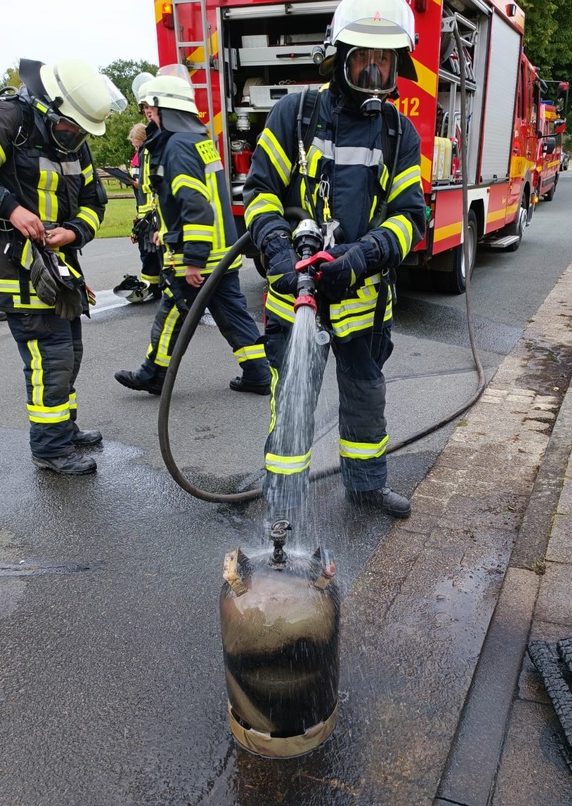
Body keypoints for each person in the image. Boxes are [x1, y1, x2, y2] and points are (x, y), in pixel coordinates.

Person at [243, 0, 425, 519]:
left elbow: (410, 217)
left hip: (364, 303)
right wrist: (279, 254)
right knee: (292, 406)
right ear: (338, 57)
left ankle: (366, 486)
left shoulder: (398, 134)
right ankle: (283, 501)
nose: (374, 71)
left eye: (385, 62)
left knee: (366, 401)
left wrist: (357, 260)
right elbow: (261, 194)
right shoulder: (295, 115)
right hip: (294, 301)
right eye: (363, 59)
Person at [0, 57, 124, 475]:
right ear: (51, 107)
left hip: (60, 270)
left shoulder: (72, 139)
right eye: (72, 127)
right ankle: (49, 448)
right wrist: (10, 209)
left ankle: (62, 429)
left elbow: (94, 201)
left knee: (69, 353)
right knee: (50, 358)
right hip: (17, 271)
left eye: (81, 130)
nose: (76, 136)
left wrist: (73, 231)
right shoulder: (7, 119)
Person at [115, 70, 270, 397]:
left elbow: (195, 206)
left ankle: (153, 373)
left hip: (200, 255)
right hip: (221, 252)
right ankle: (258, 371)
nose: (149, 115)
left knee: (172, 311)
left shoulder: (178, 147)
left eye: (153, 109)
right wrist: (167, 232)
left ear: (167, 110)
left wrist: (194, 259)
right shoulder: (197, 141)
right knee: (233, 314)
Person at [113, 122, 162, 304]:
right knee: (148, 253)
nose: (135, 147)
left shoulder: (148, 153)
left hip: (150, 214)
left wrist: (137, 184)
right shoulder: (141, 155)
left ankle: (153, 288)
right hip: (143, 213)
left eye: (136, 144)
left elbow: (148, 183)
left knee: (150, 254)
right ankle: (154, 287)